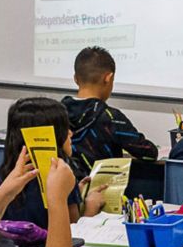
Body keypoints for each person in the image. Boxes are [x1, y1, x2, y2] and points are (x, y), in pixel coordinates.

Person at [0, 96, 107, 227]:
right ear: (52, 136)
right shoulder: (60, 172)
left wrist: (75, 193)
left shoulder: (10, 173)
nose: (71, 133)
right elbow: (72, 233)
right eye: (66, 128)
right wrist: (91, 208)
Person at [62, 46, 158, 179]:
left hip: (66, 192)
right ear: (108, 78)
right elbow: (149, 153)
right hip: (103, 194)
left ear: (75, 79)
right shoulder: (112, 118)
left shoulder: (57, 114)